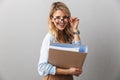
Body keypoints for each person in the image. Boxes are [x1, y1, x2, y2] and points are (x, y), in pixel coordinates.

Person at [38, 1, 82, 80]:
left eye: (65, 17)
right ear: (52, 19)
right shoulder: (50, 38)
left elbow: (78, 55)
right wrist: (68, 71)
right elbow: (42, 67)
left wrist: (75, 30)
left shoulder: (69, 36)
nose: (62, 21)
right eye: (58, 17)